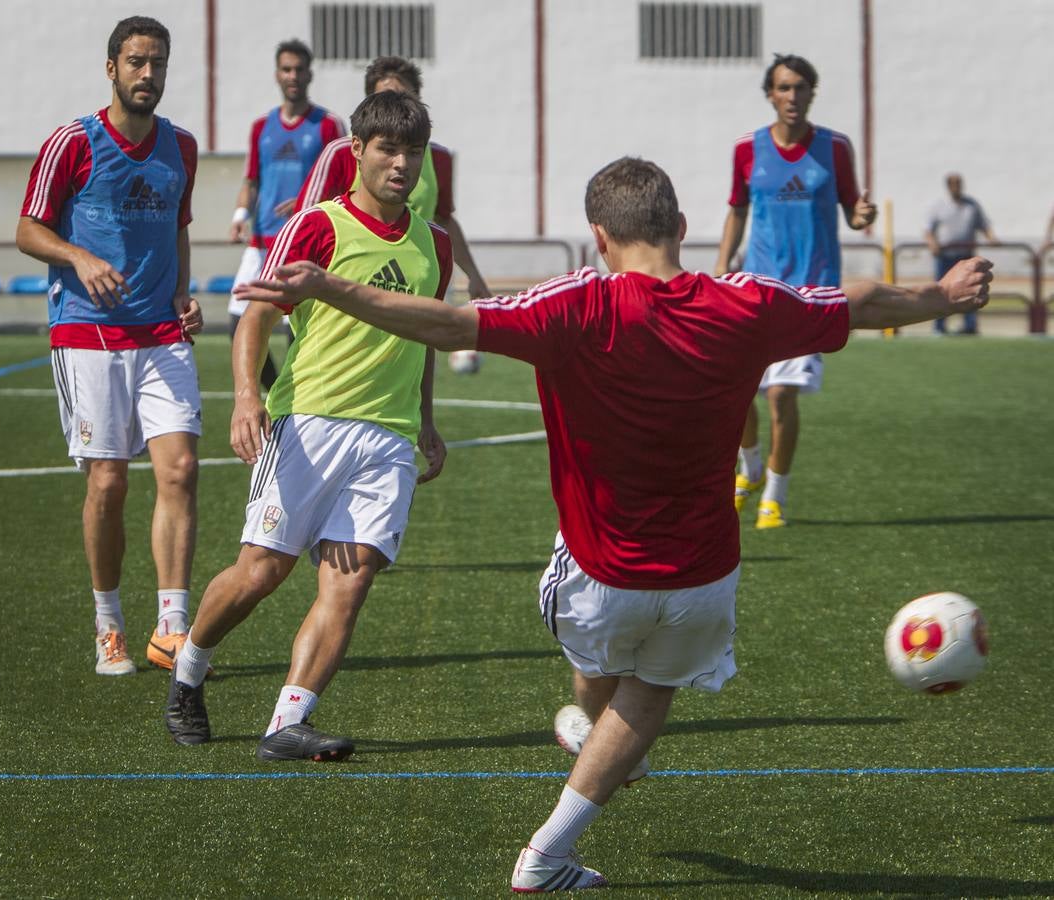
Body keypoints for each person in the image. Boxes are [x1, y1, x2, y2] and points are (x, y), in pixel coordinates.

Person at [235, 157, 992, 891]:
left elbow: (445, 324)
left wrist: (331, 285)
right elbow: (859, 301)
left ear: (599, 237)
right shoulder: (748, 306)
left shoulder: (572, 306)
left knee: (604, 675)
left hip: (595, 578)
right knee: (651, 691)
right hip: (704, 581)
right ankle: (550, 846)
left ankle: (581, 758)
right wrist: (946, 295)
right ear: (683, 227)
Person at [163, 90, 453, 759]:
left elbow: (426, 337)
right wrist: (245, 398)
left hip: (388, 436)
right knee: (261, 572)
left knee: (349, 582)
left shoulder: (432, 245)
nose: (401, 164)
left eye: (413, 152)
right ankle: (188, 672)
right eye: (387, 148)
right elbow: (256, 318)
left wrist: (426, 422)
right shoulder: (316, 226)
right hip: (309, 424)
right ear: (357, 152)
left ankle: (286, 722)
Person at [16, 16, 203, 677]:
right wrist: (78, 257)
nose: (147, 74)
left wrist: (182, 293)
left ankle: (172, 628)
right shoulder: (73, 142)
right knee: (109, 481)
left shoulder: (181, 145)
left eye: (158, 63)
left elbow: (179, 229)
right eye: (135, 62)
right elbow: (28, 229)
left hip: (160, 331)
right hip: (86, 332)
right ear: (112, 68)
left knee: (179, 471)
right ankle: (109, 625)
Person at [715, 53, 877, 530]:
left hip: (812, 294)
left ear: (812, 93)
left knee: (782, 395)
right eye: (783, 87)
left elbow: (853, 211)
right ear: (770, 94)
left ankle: (775, 497)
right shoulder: (748, 149)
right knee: (739, 391)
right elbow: (737, 209)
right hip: (756, 288)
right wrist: (724, 264)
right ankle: (749, 468)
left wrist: (864, 216)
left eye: (800, 87)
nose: (792, 96)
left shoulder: (835, 147)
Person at [295, 55, 491, 301]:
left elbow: (444, 219)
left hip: (417, 271)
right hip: (352, 278)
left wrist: (473, 275)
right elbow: (307, 222)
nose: (401, 163)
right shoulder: (341, 152)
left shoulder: (439, 157)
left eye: (403, 97)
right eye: (385, 98)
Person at [227, 40, 346, 388]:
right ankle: (277, 393)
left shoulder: (329, 126)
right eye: (286, 69)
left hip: (306, 243)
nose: (293, 75)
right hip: (261, 243)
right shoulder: (261, 127)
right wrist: (239, 215)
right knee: (240, 321)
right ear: (277, 74)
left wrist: (309, 200)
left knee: (297, 331)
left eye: (299, 69)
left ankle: (296, 402)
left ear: (310, 73)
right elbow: (252, 180)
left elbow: (346, 184)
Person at [925, 173, 998, 335]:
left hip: (965, 255)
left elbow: (984, 224)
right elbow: (928, 230)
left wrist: (992, 237)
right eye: (954, 184)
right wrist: (932, 243)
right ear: (948, 186)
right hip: (944, 256)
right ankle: (939, 327)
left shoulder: (971, 205)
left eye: (959, 183)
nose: (957, 187)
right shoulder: (939, 206)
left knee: (971, 290)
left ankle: (970, 326)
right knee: (942, 291)